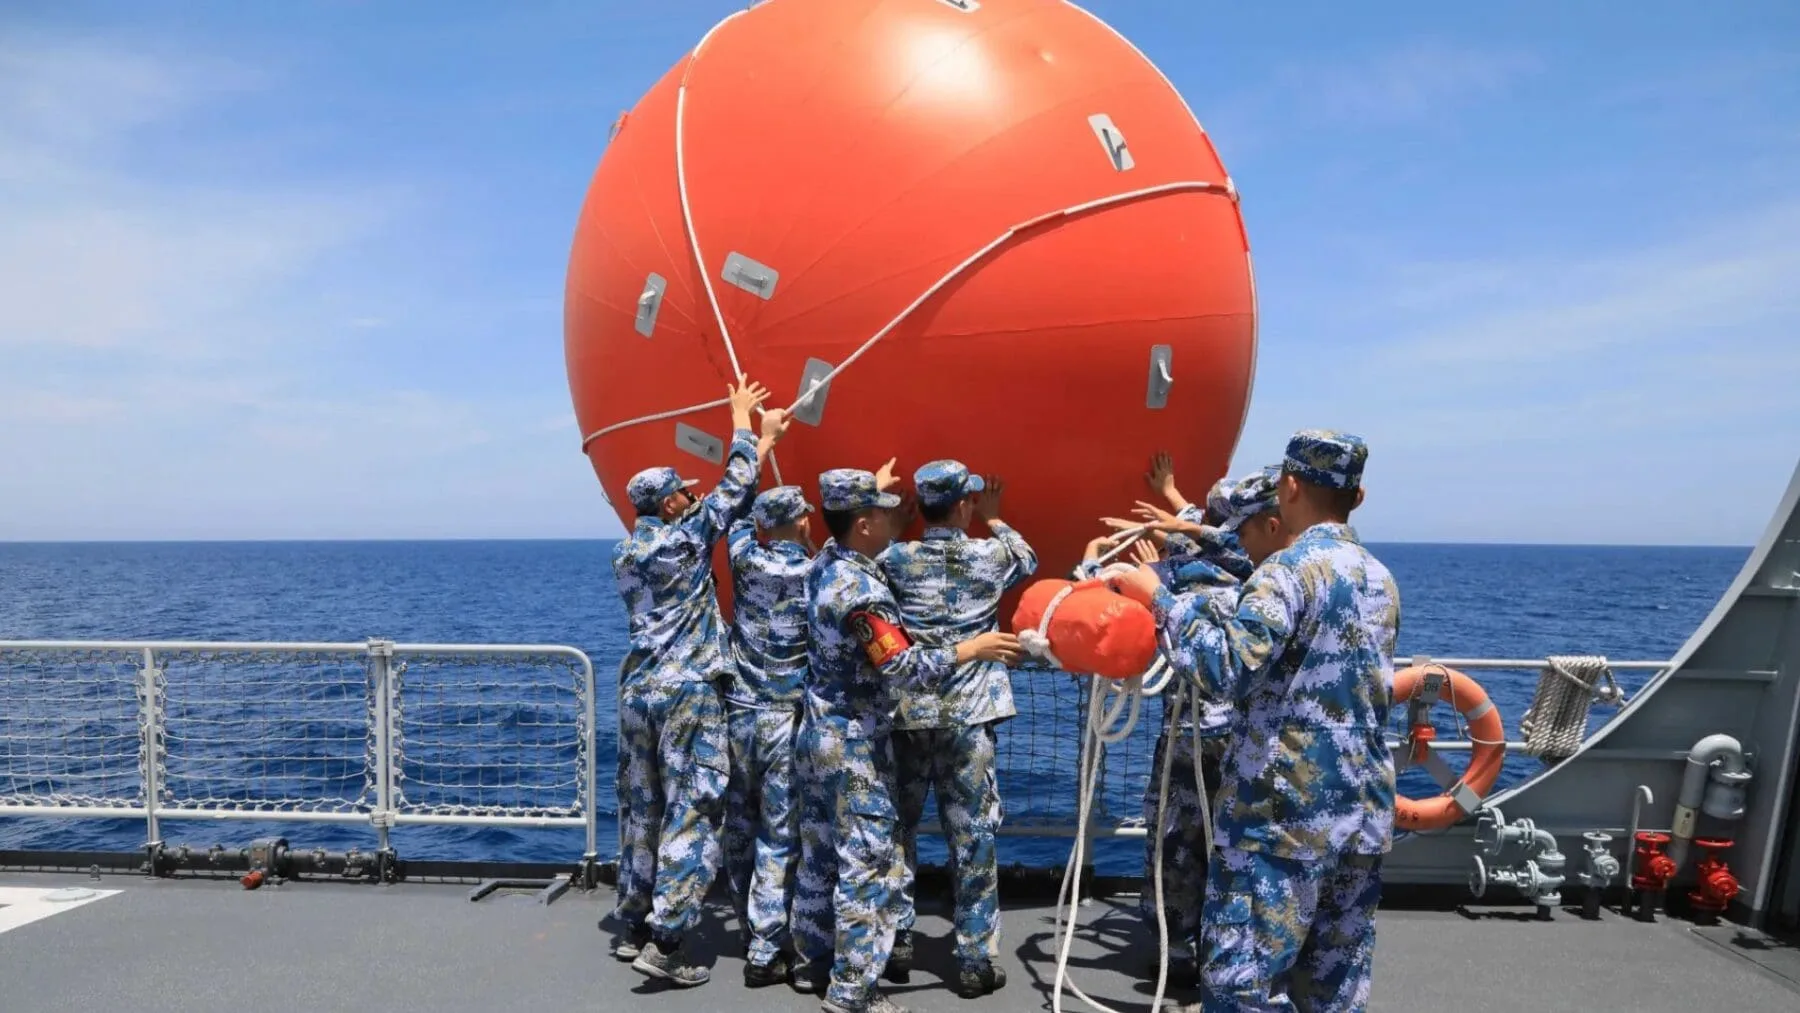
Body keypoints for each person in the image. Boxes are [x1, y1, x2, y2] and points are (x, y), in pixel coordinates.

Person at [1113, 430, 1398, 1012]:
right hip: (1361, 814)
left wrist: (1158, 601)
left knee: (1243, 982)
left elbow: (1224, 668)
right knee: (1334, 986)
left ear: (1289, 486)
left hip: (1283, 815)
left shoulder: (1286, 573)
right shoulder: (1378, 578)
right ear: (1358, 496)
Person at [791, 464, 1022, 1013]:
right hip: (861, 738)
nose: (896, 515)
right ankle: (856, 990)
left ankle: (834, 959)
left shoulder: (829, 564)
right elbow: (898, 665)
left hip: (828, 730)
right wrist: (973, 648)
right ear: (864, 522)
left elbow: (839, 534)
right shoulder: (865, 592)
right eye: (882, 511)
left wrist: (864, 497)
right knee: (874, 859)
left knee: (836, 848)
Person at [609, 378, 789, 987]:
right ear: (668, 506)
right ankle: (667, 941)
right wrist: (748, 428)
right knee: (694, 808)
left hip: (638, 692)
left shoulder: (626, 553)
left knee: (642, 808)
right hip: (687, 693)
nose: (692, 496)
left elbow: (716, 502)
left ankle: (632, 917)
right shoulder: (684, 542)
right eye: (684, 493)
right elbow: (733, 494)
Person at [1119, 464, 1287, 985]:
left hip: (1187, 737)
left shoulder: (1173, 587)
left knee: (1175, 844)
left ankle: (1178, 950)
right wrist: (1181, 512)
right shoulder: (1268, 584)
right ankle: (1233, 951)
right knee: (1236, 847)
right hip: (1243, 739)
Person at [877, 460, 1036, 997]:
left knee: (899, 829)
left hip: (907, 713)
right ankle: (973, 959)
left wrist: (897, 527)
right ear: (964, 504)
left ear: (920, 506)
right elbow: (1027, 558)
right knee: (971, 836)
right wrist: (995, 518)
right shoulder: (991, 555)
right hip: (970, 717)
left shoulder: (895, 559)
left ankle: (895, 942)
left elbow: (868, 570)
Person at [723, 485, 817, 987]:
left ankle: (747, 927)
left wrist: (757, 443)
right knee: (779, 835)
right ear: (801, 521)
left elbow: (736, 513)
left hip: (739, 715)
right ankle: (765, 948)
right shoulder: (816, 571)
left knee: (738, 826)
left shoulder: (744, 561)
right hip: (786, 718)